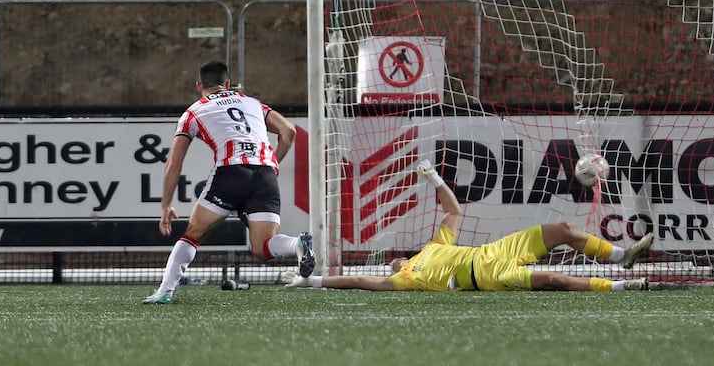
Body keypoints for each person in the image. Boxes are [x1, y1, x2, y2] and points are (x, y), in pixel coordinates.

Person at [285, 159, 653, 292]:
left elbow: (454, 212)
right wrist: (312, 280)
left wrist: (435, 181)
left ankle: (621, 255)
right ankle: (621, 286)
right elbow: (358, 280)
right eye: (392, 262)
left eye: (394, 259)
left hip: (493, 252)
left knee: (561, 229)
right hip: (484, 276)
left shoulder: (432, 249)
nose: (393, 261)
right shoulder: (405, 279)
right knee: (552, 280)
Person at [142, 61, 315, 304]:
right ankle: (297, 244)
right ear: (227, 84)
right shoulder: (252, 103)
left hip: (231, 172)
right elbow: (289, 132)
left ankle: (164, 291)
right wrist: (272, 162)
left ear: (198, 85)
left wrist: (166, 204)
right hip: (264, 174)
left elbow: (174, 162)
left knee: (193, 234)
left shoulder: (193, 112)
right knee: (262, 247)